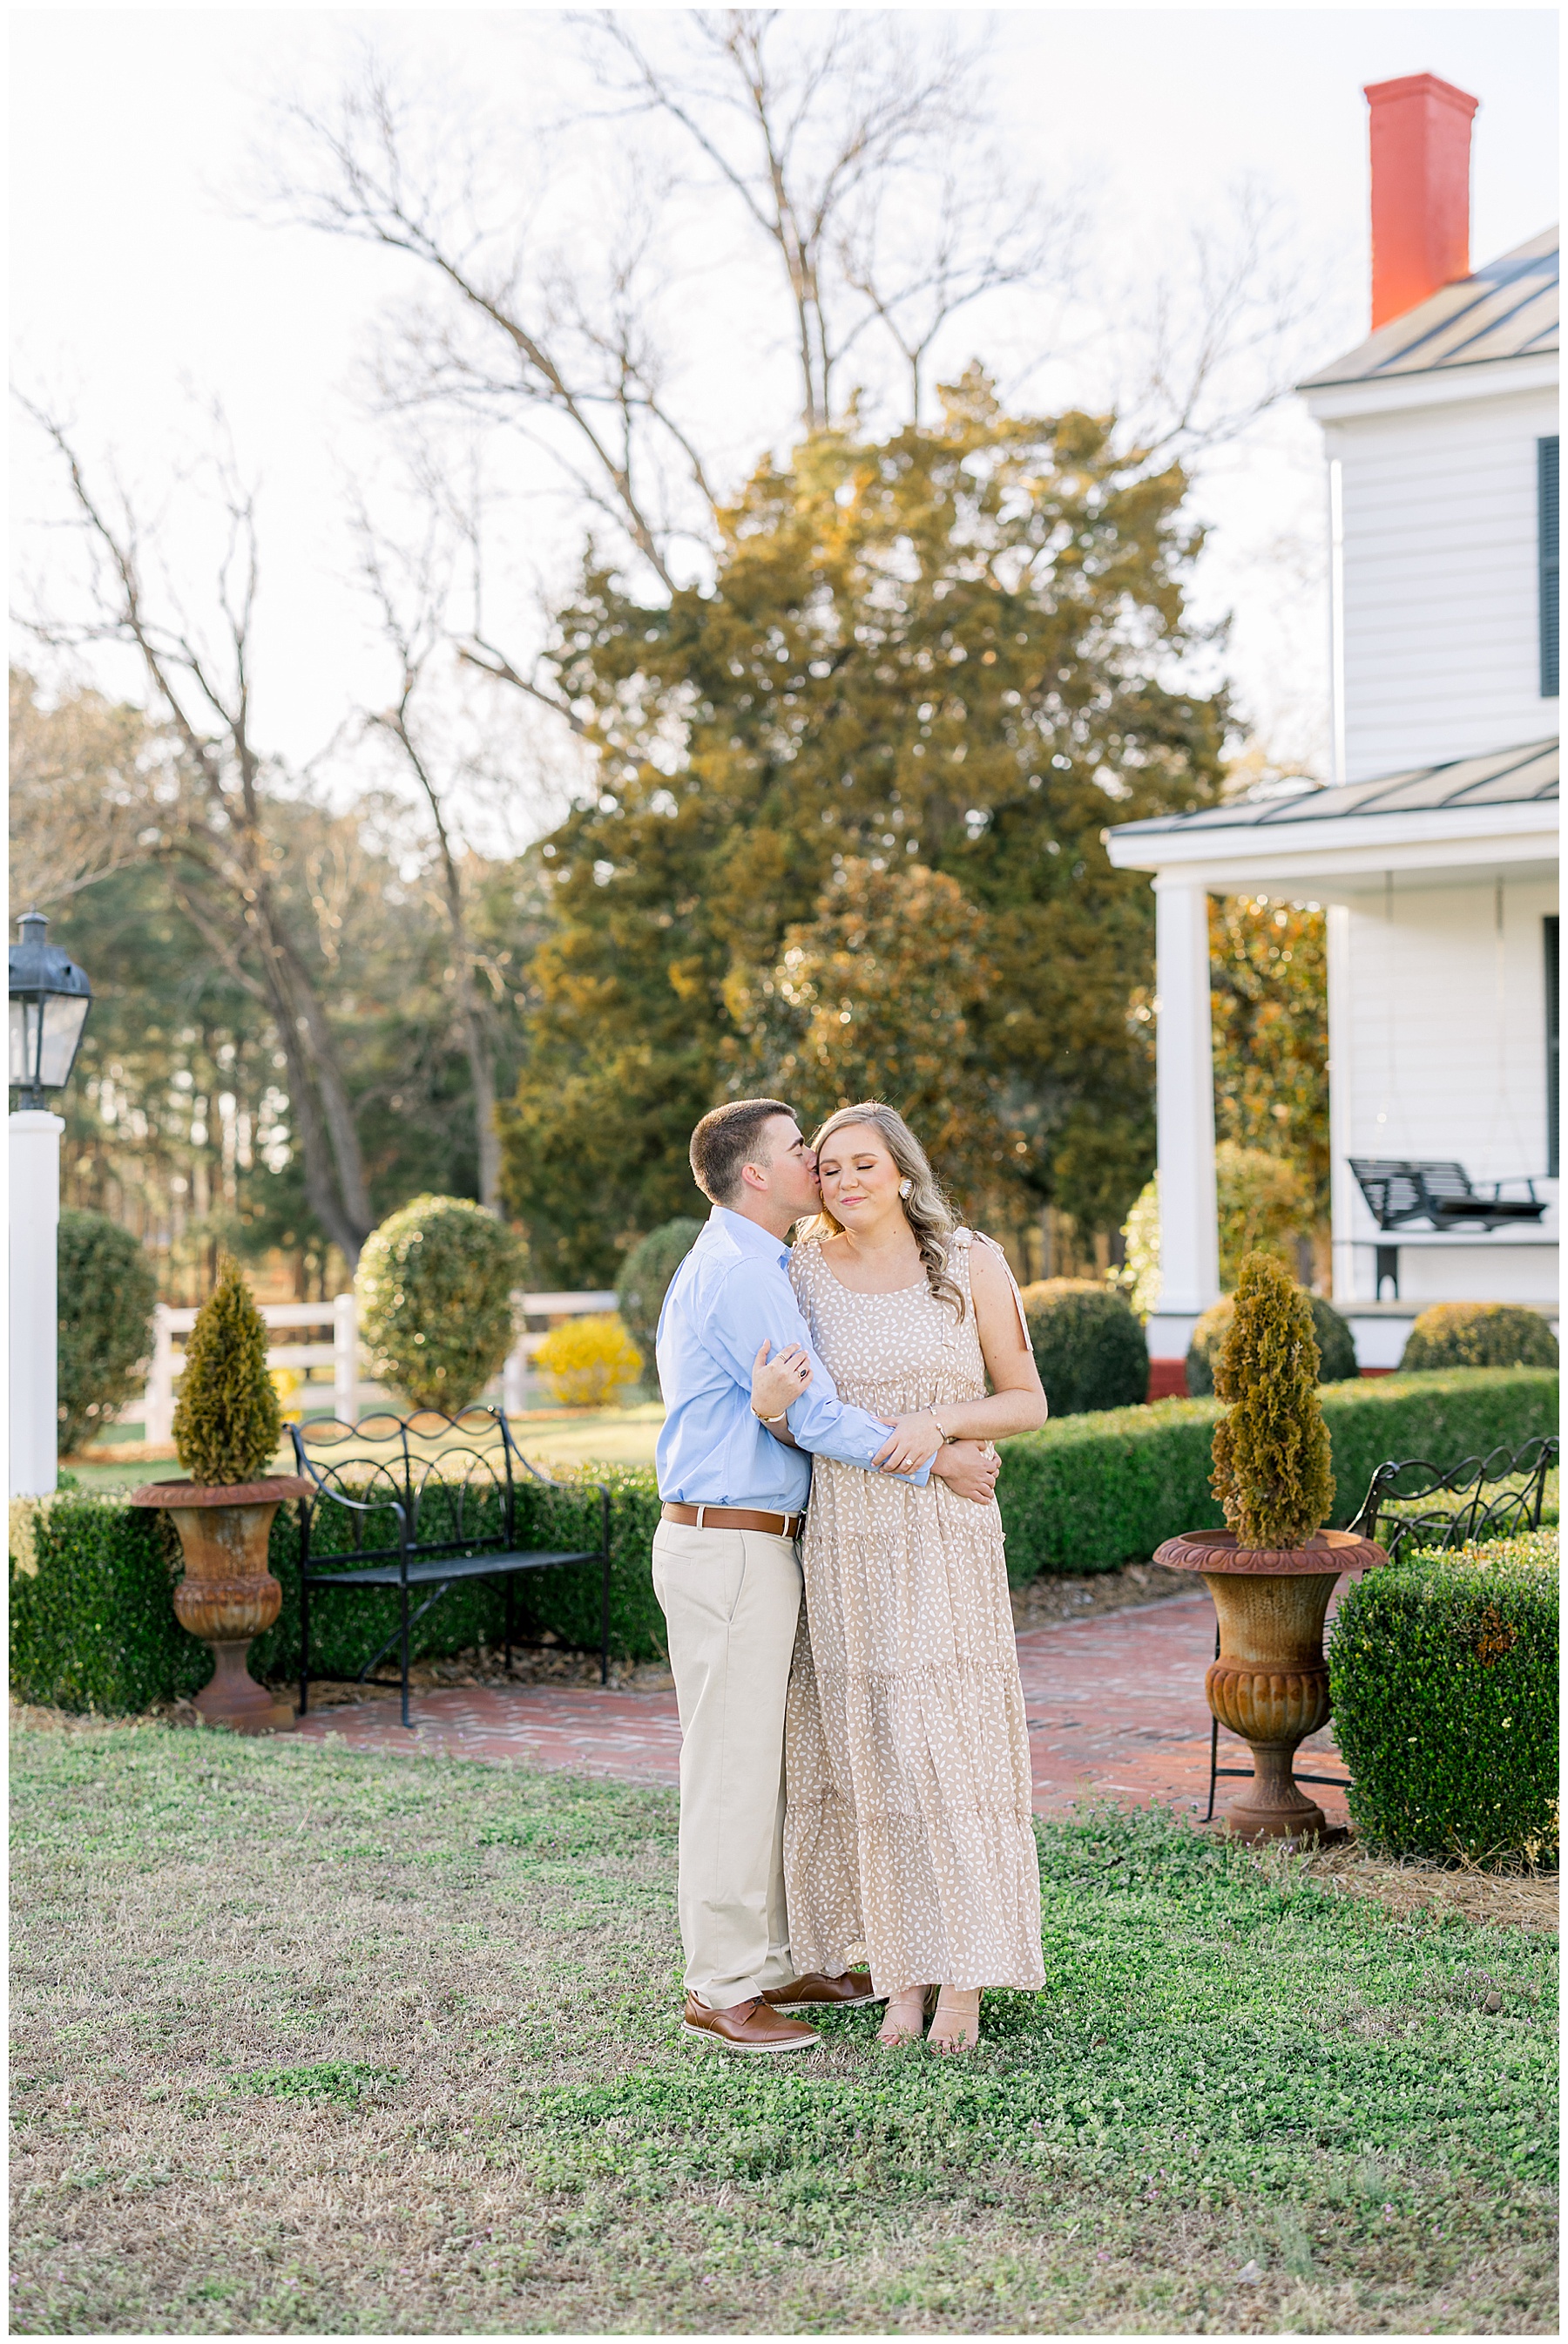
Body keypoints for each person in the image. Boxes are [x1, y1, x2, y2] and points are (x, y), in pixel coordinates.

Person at [653, 1097, 1002, 2056]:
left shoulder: (761, 1262)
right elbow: (814, 1415)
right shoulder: (745, 1272)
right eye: (800, 1148)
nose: (816, 1163)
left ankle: (773, 1959)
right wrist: (936, 1455)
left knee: (768, 1762)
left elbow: (782, 1410)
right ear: (756, 1173)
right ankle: (723, 1989)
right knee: (730, 1773)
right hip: (731, 1542)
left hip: (754, 1539)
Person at [755, 1101, 1048, 2053]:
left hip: (945, 1536)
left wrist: (943, 1424)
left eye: (865, 1164)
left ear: (904, 1171)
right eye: (831, 1166)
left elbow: (1027, 1401)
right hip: (848, 1534)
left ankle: (966, 1975)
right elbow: (797, 1416)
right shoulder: (801, 1271)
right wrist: (771, 1410)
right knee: (876, 1755)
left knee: (946, 1750)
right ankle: (902, 1975)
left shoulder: (970, 1261)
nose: (845, 1181)